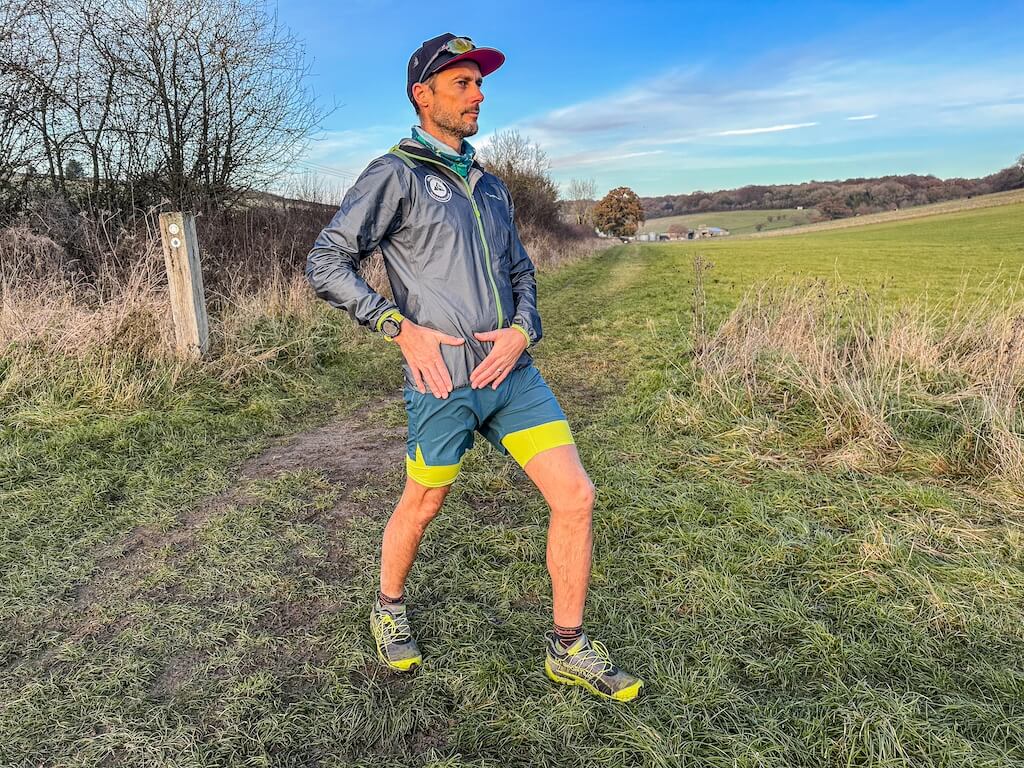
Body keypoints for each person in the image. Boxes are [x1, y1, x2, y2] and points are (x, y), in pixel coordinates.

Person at [305, 33, 643, 702]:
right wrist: (397, 328)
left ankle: (567, 646)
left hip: (513, 378)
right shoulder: (395, 173)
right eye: (463, 83)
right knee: (424, 502)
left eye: (479, 83)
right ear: (422, 95)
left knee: (576, 495)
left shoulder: (491, 186)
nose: (479, 94)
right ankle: (388, 605)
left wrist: (524, 330)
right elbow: (325, 261)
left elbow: (521, 269)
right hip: (444, 385)